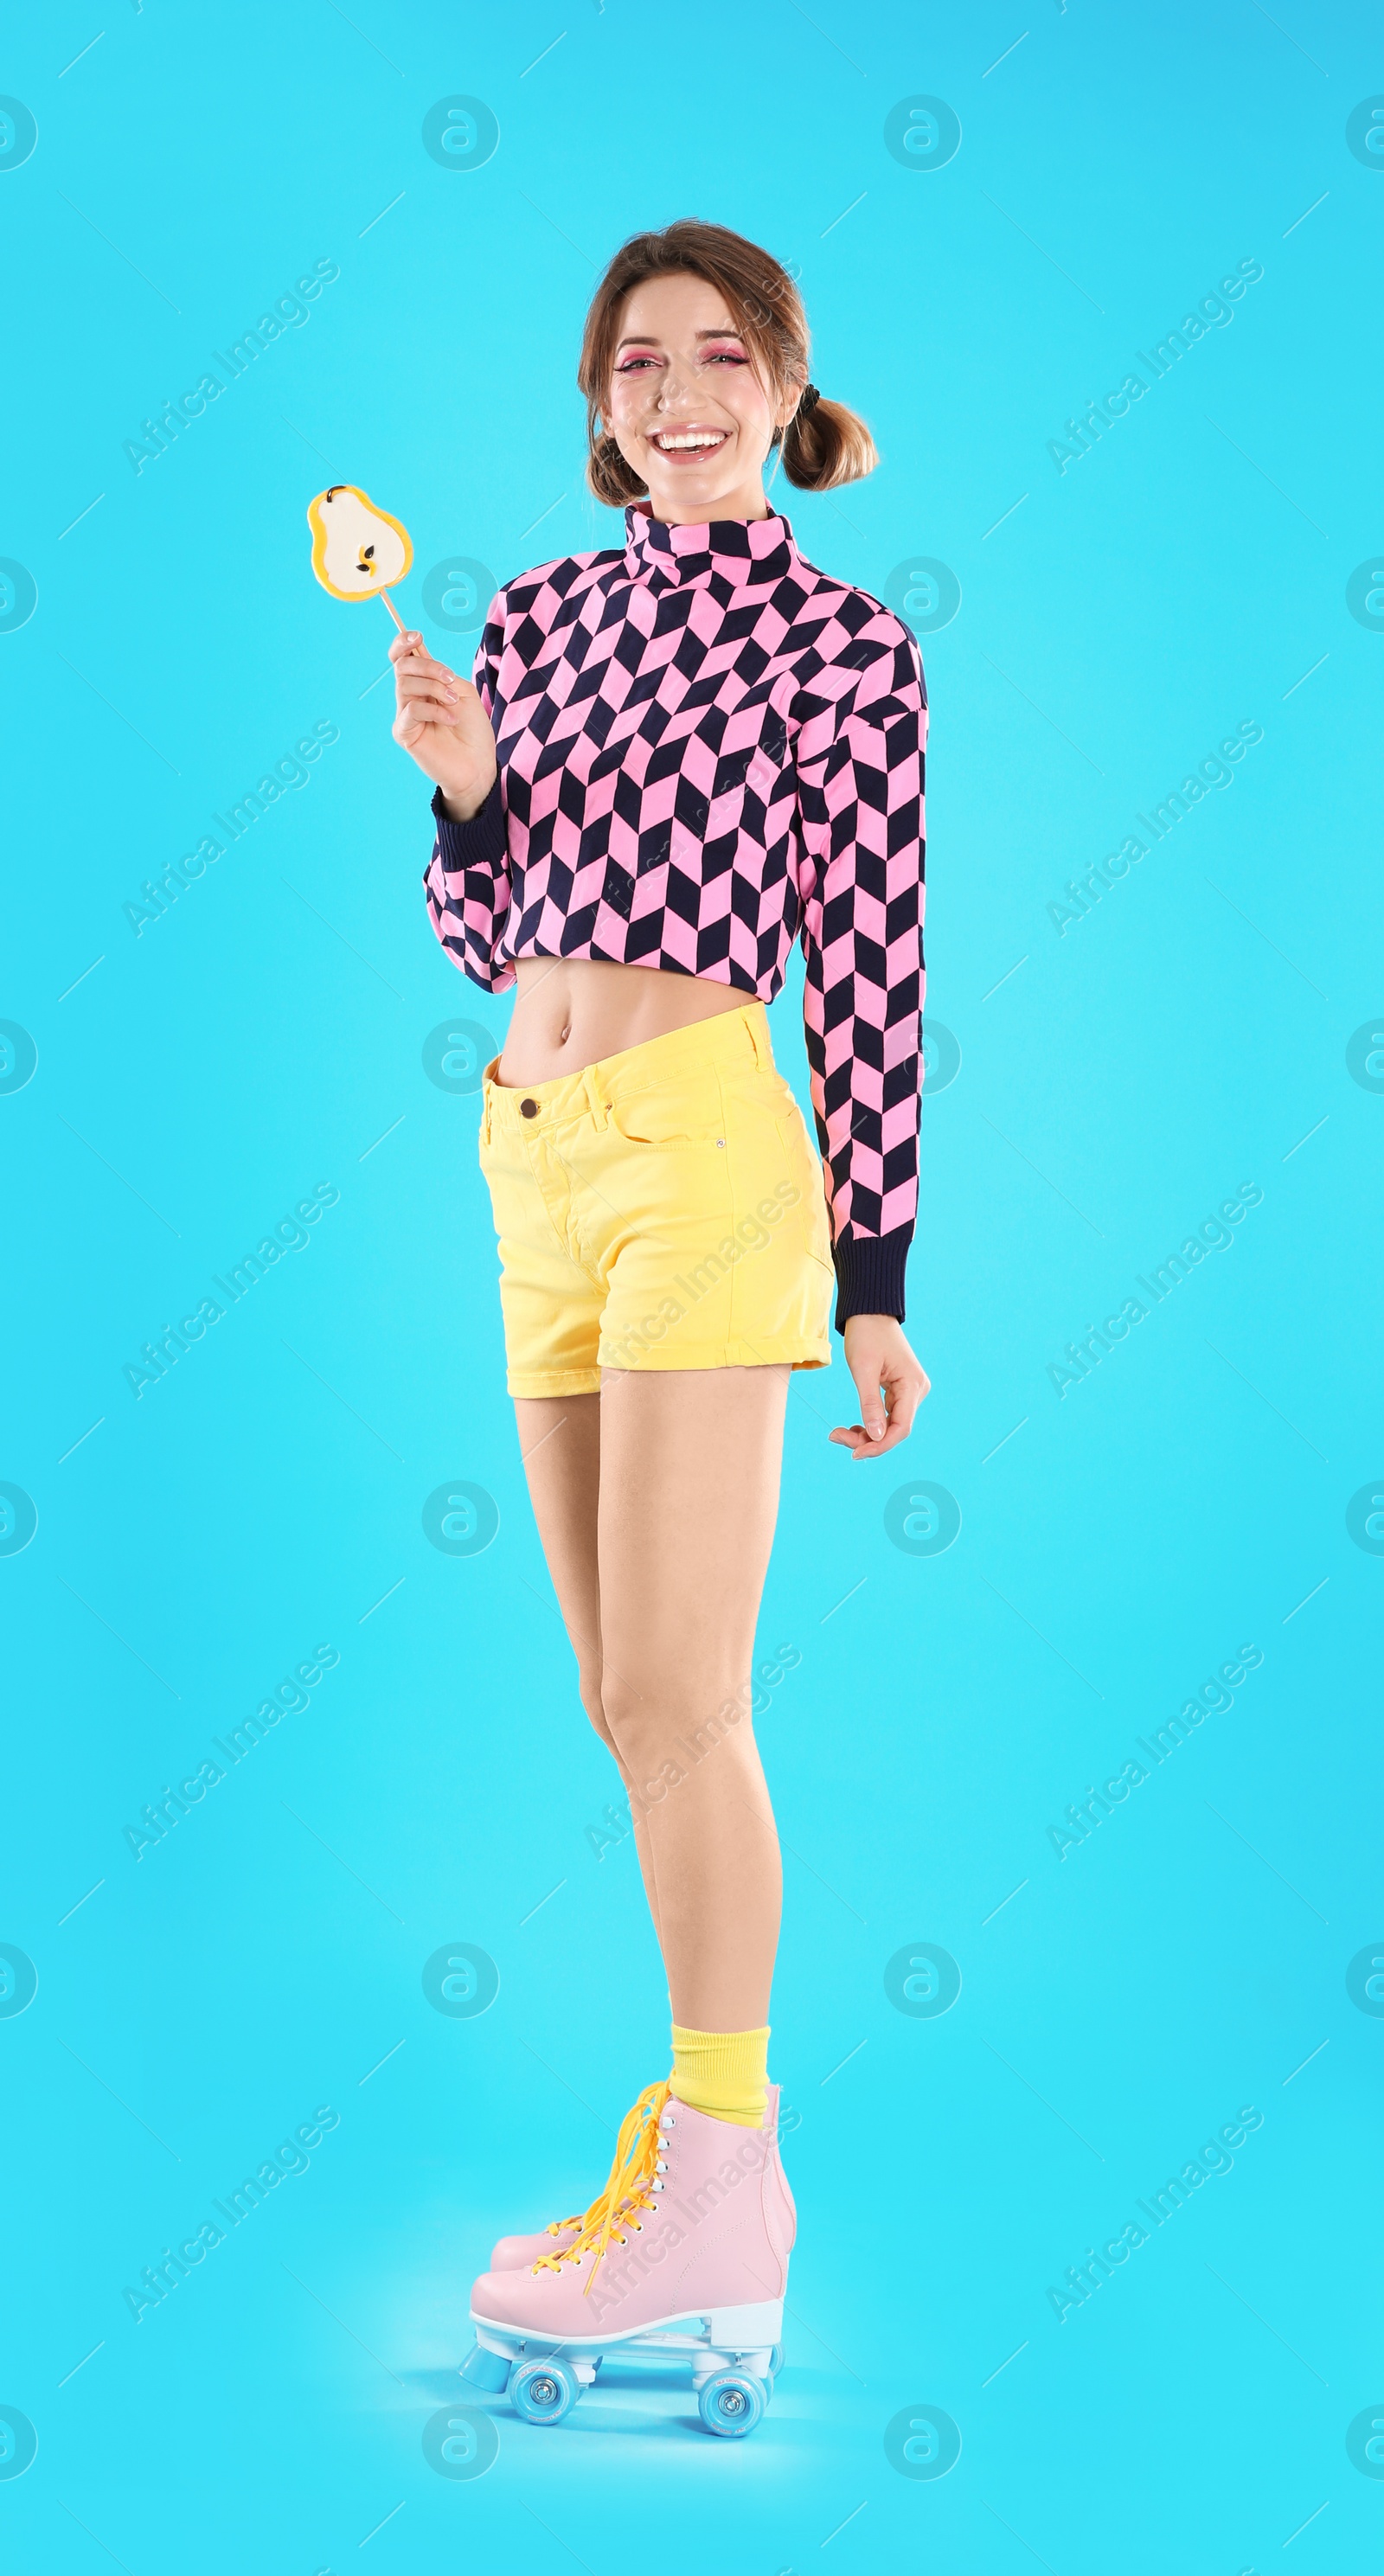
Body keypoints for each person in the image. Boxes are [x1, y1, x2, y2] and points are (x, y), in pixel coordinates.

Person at [389, 219, 928, 2424]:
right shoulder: (528, 615)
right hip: (527, 1150)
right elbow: (484, 931)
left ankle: (727, 2172)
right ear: (598, 403)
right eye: (640, 363)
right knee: (621, 1697)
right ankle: (699, 2161)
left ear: (784, 382)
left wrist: (877, 1276)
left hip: (712, 1151)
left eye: (723, 356)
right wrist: (464, 790)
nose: (680, 392)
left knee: (686, 1694)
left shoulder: (843, 648)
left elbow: (875, 958)